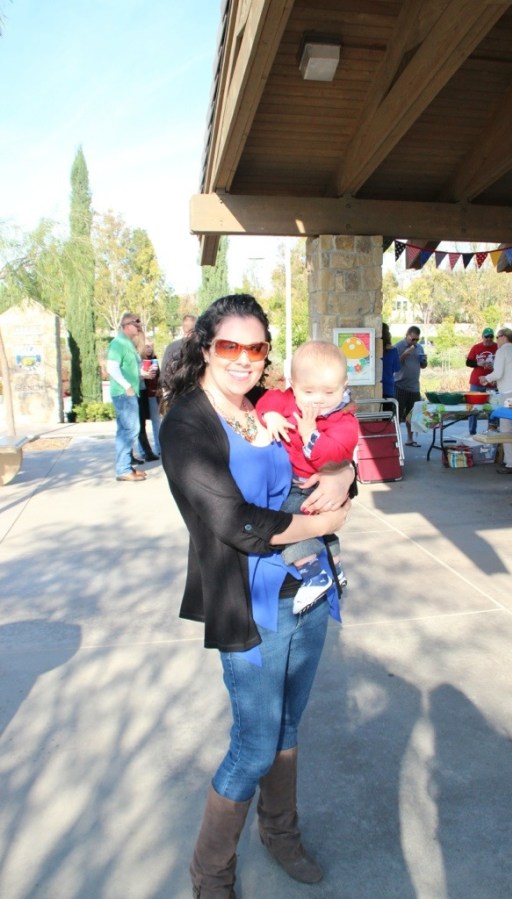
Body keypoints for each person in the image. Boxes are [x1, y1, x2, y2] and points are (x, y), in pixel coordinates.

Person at [159, 295, 354, 898]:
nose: (244, 358)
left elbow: (329, 458)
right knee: (253, 745)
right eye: (229, 346)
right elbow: (234, 522)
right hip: (248, 604)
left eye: (256, 347)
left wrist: (344, 476)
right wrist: (325, 523)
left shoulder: (272, 404)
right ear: (205, 348)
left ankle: (280, 834)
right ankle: (211, 873)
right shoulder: (187, 424)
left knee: (288, 726)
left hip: (307, 592)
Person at [256, 340, 359, 608]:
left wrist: (310, 433)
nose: (318, 399)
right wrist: (271, 415)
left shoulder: (344, 419)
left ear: (344, 385)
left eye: (329, 391)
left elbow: (335, 456)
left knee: (290, 522)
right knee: (322, 531)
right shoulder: (288, 399)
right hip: (294, 480)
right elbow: (268, 400)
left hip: (310, 486)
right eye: (308, 391)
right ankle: (336, 567)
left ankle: (314, 574)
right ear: (293, 384)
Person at [106, 312, 147, 482]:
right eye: (136, 326)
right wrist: (127, 386)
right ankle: (123, 470)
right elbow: (111, 368)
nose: (138, 329)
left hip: (128, 392)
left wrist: (142, 375)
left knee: (125, 430)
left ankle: (126, 467)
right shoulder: (118, 344)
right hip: (124, 394)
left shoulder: (126, 343)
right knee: (130, 429)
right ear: (128, 326)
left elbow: (128, 368)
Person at [480, 327, 512, 475]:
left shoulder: (502, 351)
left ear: (503, 337)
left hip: (509, 395)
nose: (496, 340)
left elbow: (498, 373)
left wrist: (485, 378)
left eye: (497, 337)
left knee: (506, 429)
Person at [393, 325, 428, 447]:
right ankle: (394, 440)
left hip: (414, 386)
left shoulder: (419, 348)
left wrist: (424, 362)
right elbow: (394, 364)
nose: (415, 342)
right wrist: (404, 354)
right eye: (413, 339)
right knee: (397, 415)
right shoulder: (398, 346)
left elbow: (423, 366)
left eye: (417, 339)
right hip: (400, 385)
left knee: (412, 415)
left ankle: (410, 439)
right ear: (407, 335)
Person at [465, 327, 497, 435]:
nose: (488, 339)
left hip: (491, 382)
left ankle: (491, 431)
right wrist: (478, 363)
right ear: (482, 337)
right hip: (476, 382)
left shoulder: (497, 347)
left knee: (492, 407)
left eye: (491, 336)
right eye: (486, 336)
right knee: (473, 407)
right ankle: (472, 432)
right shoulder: (476, 347)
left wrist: (494, 366)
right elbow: (468, 362)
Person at [136, 342, 161, 461]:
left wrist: (160, 388)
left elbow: (159, 377)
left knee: (156, 421)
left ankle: (159, 448)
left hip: (152, 394)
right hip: (141, 394)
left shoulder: (154, 360)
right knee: (141, 424)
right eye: (147, 346)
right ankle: (143, 451)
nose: (149, 349)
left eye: (151, 346)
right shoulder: (138, 360)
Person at [160, 313, 196, 391]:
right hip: (195, 390)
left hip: (175, 390)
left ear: (183, 328)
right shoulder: (200, 347)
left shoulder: (171, 347)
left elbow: (164, 374)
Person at [381, 323, 400, 416]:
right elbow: (397, 368)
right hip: (388, 388)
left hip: (374, 387)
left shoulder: (372, 348)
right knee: (387, 419)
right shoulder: (393, 350)